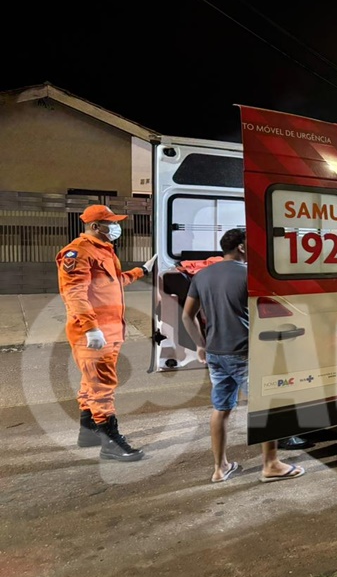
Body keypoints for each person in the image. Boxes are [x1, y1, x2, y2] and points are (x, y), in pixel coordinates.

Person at [181, 228, 305, 483]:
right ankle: (271, 465)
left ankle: (220, 467)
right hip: (244, 352)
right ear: (240, 246)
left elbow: (187, 315)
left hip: (216, 353)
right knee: (266, 407)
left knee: (221, 409)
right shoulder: (251, 275)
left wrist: (200, 345)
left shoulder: (202, 275)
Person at [57, 204, 157, 462]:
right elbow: (75, 293)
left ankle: (89, 432)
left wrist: (142, 271)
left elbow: (114, 282)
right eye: (110, 223)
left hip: (109, 330)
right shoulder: (77, 252)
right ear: (94, 226)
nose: (115, 227)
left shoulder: (104, 250)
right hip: (93, 332)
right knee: (102, 386)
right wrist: (91, 328)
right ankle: (111, 443)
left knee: (90, 381)